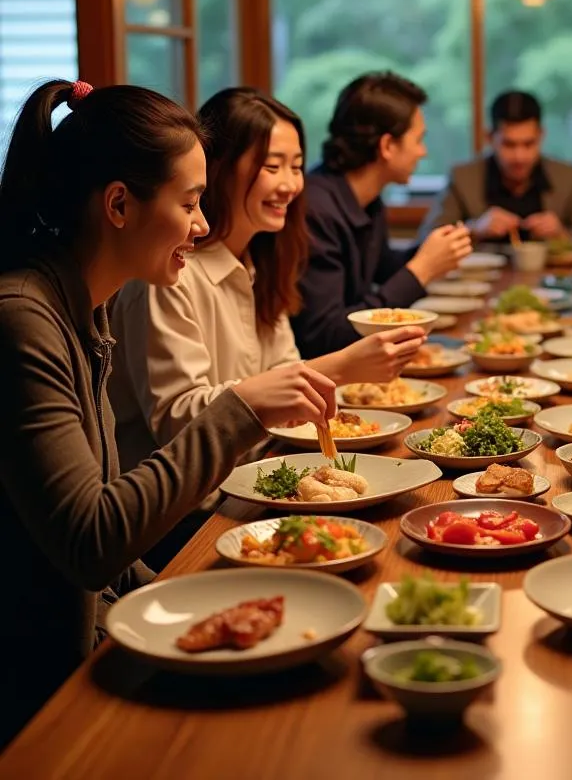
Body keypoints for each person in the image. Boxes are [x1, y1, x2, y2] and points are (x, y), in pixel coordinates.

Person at [0, 80, 337, 746]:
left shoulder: (82, 307)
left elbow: (109, 542)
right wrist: (240, 408)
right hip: (40, 698)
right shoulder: (24, 321)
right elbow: (90, 542)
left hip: (91, 643)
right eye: (189, 203)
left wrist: (192, 598)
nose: (204, 225)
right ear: (120, 205)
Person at [109, 87, 427, 473]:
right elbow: (178, 421)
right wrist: (340, 366)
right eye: (273, 167)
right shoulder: (167, 273)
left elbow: (284, 369)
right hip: (190, 508)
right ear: (219, 169)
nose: (291, 184)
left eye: (296, 166)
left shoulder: (259, 260)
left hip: (262, 467)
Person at [292, 71, 472, 356]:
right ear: (388, 146)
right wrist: (423, 268)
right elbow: (324, 336)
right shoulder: (315, 210)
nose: (422, 152)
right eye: (418, 140)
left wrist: (435, 253)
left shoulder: (367, 199)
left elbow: (384, 267)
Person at [419, 89, 572, 243]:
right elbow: (426, 240)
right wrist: (474, 229)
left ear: (541, 136)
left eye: (528, 144)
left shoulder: (565, 176)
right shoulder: (463, 177)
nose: (519, 157)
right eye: (509, 145)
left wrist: (562, 234)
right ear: (490, 139)